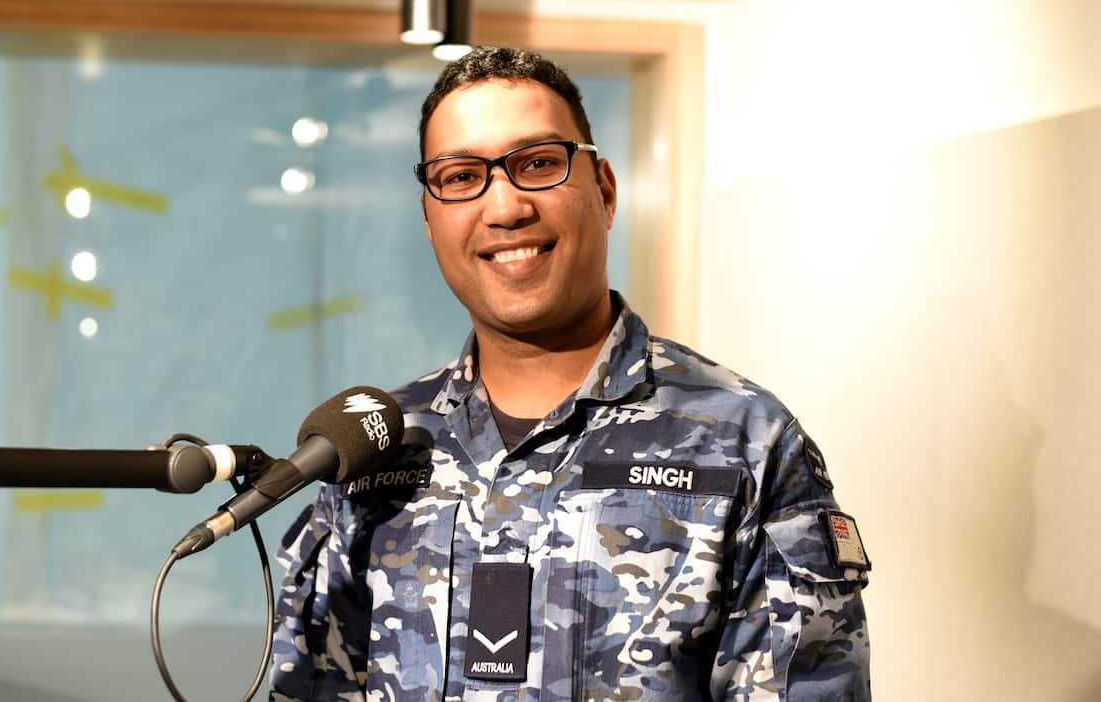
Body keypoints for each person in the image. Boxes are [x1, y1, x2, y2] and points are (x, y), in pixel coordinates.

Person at [270, 47, 871, 700]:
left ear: (605, 191)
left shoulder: (744, 442)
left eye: (538, 164)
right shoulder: (378, 444)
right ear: (431, 217)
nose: (505, 208)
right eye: (462, 175)